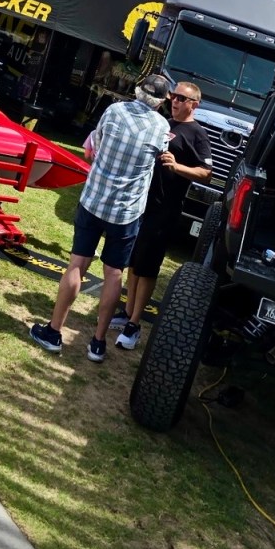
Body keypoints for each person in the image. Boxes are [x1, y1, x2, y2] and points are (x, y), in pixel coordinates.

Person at [30, 74, 171, 362]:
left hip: (94, 199)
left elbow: (97, 144)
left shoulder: (115, 110)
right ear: (162, 101)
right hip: (126, 211)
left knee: (77, 264)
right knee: (113, 274)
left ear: (137, 90)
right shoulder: (162, 126)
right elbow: (160, 157)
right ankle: (97, 343)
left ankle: (54, 331)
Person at [110, 81, 212, 349]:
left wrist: (177, 167)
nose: (175, 101)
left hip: (166, 208)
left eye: (181, 98)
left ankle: (135, 325)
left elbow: (206, 173)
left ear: (194, 104)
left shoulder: (197, 134)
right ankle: (127, 312)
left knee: (148, 266)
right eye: (173, 96)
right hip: (142, 202)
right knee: (134, 260)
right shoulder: (164, 123)